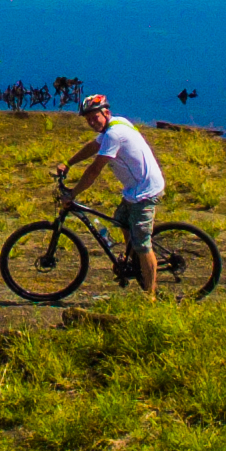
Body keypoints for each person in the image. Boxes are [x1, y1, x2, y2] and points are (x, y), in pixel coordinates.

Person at [56, 90, 170, 298]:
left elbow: (94, 170)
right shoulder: (115, 125)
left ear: (106, 113)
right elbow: (92, 146)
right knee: (120, 220)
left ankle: (151, 294)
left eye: (95, 117)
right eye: (88, 119)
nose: (91, 121)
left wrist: (73, 193)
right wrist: (69, 163)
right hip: (133, 190)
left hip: (145, 191)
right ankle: (134, 263)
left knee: (142, 243)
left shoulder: (114, 134)